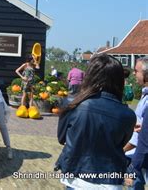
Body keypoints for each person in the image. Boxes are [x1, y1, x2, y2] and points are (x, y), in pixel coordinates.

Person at [55, 54, 136, 188]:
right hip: (110, 180)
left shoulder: (72, 104)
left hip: (76, 177)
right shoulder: (128, 115)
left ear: (90, 76)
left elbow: (62, 138)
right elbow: (121, 143)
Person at [126, 57, 148, 189]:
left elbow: (143, 139)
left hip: (139, 156)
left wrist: (121, 150)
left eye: (136, 71)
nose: (134, 73)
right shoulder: (144, 94)